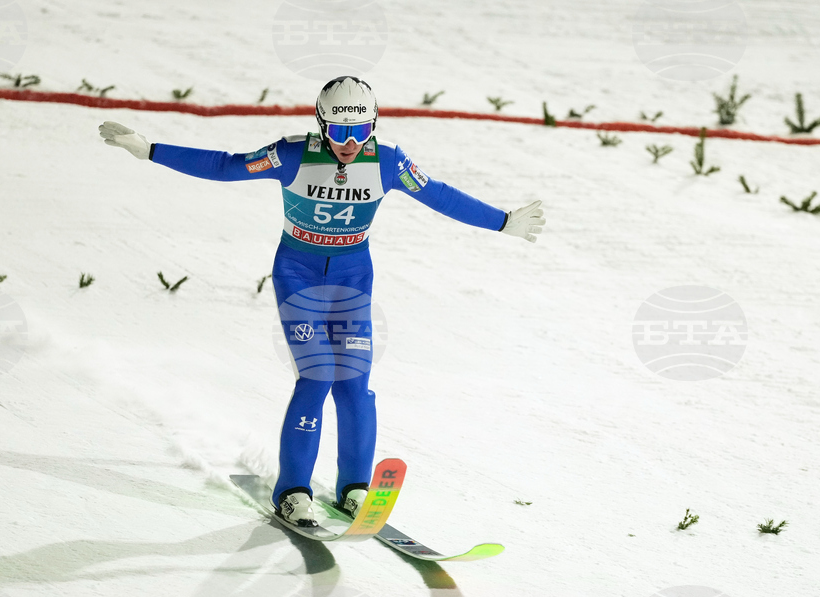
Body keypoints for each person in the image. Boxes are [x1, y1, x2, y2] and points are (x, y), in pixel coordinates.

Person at [99, 75, 545, 527]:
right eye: (338, 131)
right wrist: (150, 149)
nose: (350, 143)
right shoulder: (292, 154)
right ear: (320, 126)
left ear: (375, 125)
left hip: (352, 280)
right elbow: (225, 166)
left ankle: (355, 485)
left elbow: (439, 195)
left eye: (360, 131)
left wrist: (502, 221)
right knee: (318, 375)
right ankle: (292, 491)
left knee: (353, 381)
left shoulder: (388, 161)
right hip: (300, 277)